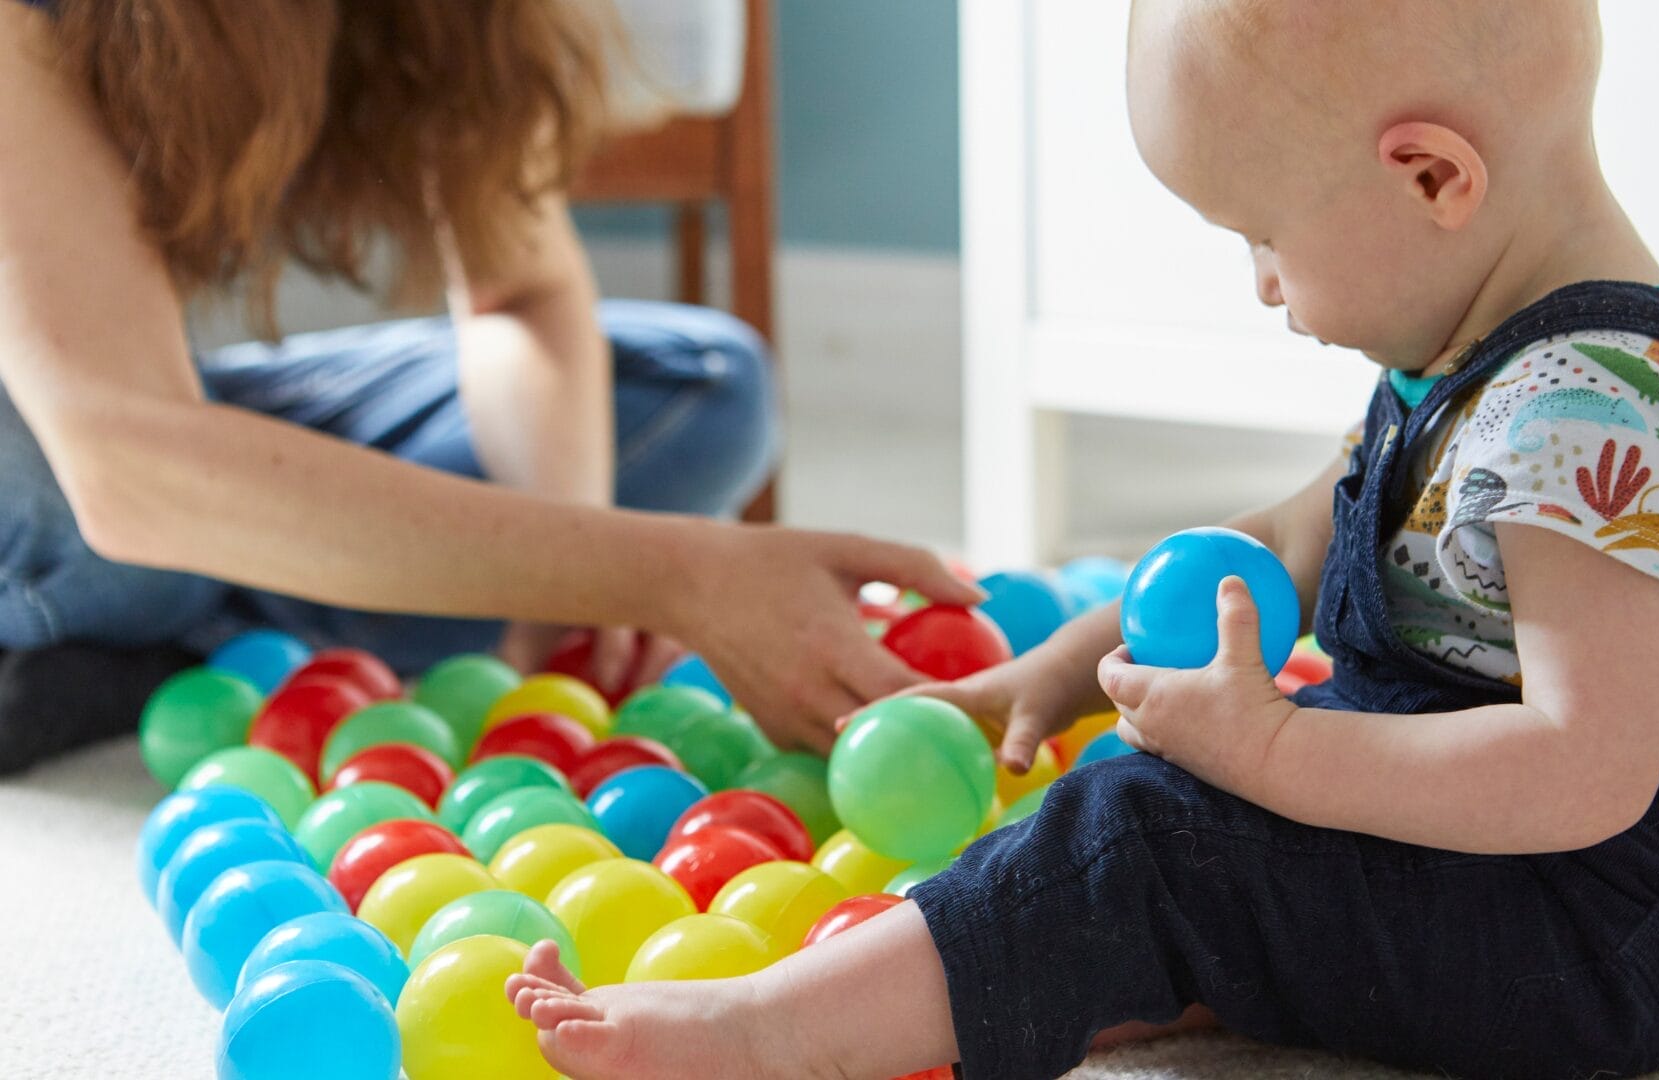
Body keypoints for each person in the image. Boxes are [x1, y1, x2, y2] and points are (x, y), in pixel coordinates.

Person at [503, 1, 1659, 1077]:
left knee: (1150, 833)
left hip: (1596, 934)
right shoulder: (1505, 352)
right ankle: (1111, 959)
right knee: (1203, 792)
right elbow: (1303, 531)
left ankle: (768, 1036)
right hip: (1540, 879)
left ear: (1429, 177)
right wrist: (1058, 663)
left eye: (1263, 235)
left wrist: (1282, 753)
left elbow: (1580, 775)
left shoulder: (1586, 420)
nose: (1264, 286)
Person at [0, 0, 979, 773]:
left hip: (148, 402)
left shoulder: (452, 20)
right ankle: (176, 613)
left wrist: (565, 574)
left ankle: (148, 629)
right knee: (132, 534)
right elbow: (125, 455)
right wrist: (670, 572)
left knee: (700, 388)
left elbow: (524, 296)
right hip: (78, 440)